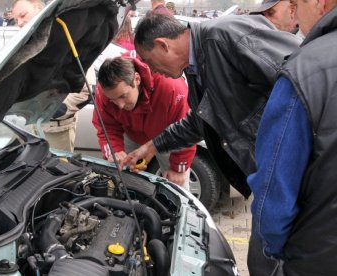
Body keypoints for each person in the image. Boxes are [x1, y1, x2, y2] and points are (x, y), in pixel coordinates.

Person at [119, 14, 301, 204]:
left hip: (292, 168)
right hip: (269, 174)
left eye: (149, 61)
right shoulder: (194, 67)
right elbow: (200, 121)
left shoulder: (225, 35)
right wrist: (152, 146)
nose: (152, 70)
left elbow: (302, 75)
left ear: (163, 45)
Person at [247, 0, 337, 275]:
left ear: (321, 2)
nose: (294, 16)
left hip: (309, 258)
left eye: (296, 4)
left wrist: (270, 255)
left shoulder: (305, 70)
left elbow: (274, 188)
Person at [93, 57, 195, 188]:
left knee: (176, 185)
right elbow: (106, 126)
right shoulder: (104, 93)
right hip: (132, 134)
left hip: (169, 136)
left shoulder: (171, 87)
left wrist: (178, 168)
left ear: (137, 79)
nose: (120, 105)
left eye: (123, 96)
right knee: (123, 178)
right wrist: (114, 150)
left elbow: (186, 130)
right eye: (113, 100)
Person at [11, 0, 90, 152]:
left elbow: (86, 89)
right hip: (34, 129)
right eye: (16, 20)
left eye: (22, 15)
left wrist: (53, 110)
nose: (20, 23)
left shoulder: (66, 36)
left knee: (59, 171)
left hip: (57, 131)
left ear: (38, 7)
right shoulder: (26, 46)